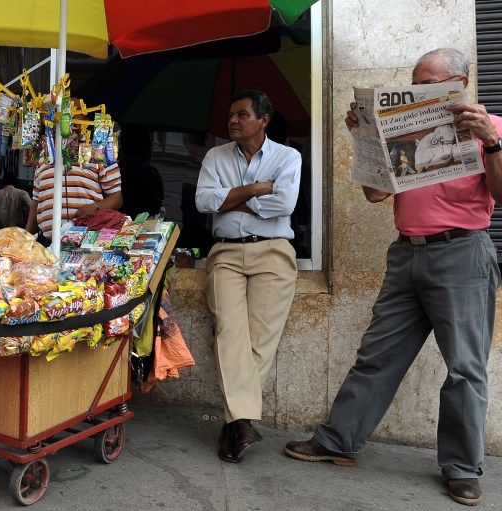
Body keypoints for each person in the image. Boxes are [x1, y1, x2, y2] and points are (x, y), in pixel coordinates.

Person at [284, 48, 502, 507]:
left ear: (460, 83)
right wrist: (364, 136)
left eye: (428, 84)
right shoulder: (405, 126)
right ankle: (338, 441)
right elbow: (376, 194)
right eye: (414, 81)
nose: (419, 90)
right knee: (378, 354)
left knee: (465, 367)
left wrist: (492, 143)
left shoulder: (492, 128)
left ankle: (463, 468)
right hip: (407, 254)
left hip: (462, 253)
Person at [195, 89, 300, 463]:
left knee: (259, 341)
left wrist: (233, 198)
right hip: (225, 252)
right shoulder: (215, 156)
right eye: (230, 116)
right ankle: (242, 421)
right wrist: (256, 190)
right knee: (228, 333)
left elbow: (284, 204)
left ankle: (233, 424)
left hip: (273, 252)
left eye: (241, 114)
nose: (233, 122)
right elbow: (204, 202)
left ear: (263, 120)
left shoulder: (289, 157)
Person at [26, 134, 123, 243]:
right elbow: (36, 200)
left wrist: (95, 207)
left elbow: (117, 198)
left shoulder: (98, 151)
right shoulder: (45, 154)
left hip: (86, 240)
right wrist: (26, 237)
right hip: (49, 242)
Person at [117, 124, 164, 219]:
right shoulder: (151, 173)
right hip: (142, 225)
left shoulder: (114, 170)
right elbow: (156, 205)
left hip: (115, 224)